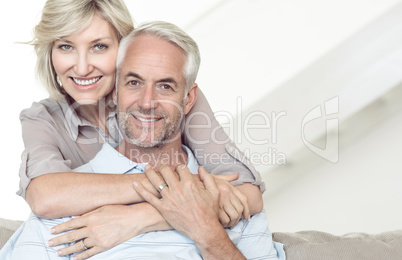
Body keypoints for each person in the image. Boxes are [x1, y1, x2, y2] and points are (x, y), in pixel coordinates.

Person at [0, 21, 283, 259]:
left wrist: (204, 228)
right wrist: (184, 192)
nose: (147, 102)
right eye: (134, 83)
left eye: (165, 86)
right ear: (114, 92)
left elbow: (248, 192)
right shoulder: (63, 210)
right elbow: (45, 197)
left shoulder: (227, 199)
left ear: (189, 99)